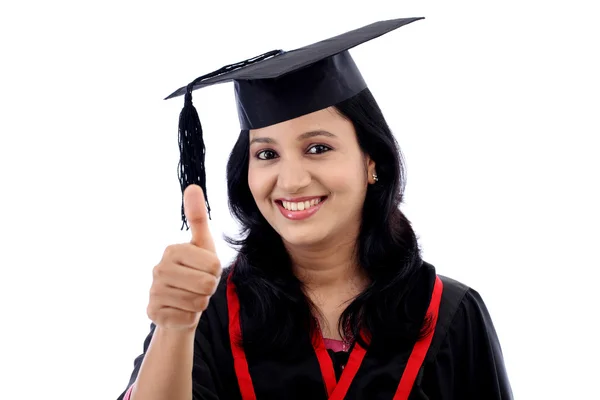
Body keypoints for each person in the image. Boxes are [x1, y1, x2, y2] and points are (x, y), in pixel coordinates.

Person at [116, 17, 513, 400]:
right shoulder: (205, 309)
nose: (290, 181)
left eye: (318, 148)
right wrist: (174, 329)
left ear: (371, 160)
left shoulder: (449, 312)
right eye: (267, 153)